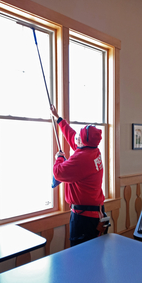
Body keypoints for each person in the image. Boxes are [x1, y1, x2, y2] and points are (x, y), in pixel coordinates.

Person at [50, 105, 109, 247]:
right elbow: (72, 136)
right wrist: (58, 119)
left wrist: (59, 158)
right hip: (94, 213)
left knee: (81, 258)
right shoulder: (93, 151)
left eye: (79, 137)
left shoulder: (82, 159)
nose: (76, 138)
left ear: (83, 141)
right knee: (94, 254)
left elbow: (58, 172)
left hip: (84, 218)